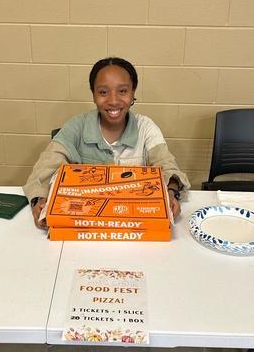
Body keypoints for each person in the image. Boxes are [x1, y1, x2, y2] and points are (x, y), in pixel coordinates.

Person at [23, 57, 190, 228]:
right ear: (93, 95)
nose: (113, 101)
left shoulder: (146, 128)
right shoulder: (76, 126)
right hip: (86, 222)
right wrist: (40, 200)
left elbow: (167, 166)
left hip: (133, 221)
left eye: (123, 91)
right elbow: (46, 167)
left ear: (133, 92)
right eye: (103, 92)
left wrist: (171, 192)